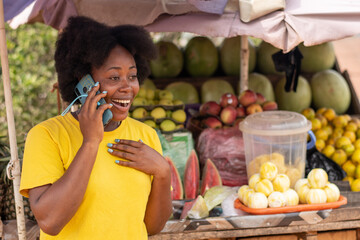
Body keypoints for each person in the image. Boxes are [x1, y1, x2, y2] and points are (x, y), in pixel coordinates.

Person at [20, 16, 172, 239]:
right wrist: (90, 142)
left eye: (132, 75)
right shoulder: (46, 136)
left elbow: (152, 227)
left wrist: (163, 173)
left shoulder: (146, 135)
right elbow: (50, 222)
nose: (127, 87)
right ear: (84, 81)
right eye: (114, 77)